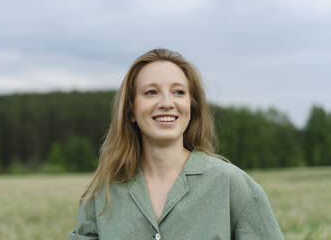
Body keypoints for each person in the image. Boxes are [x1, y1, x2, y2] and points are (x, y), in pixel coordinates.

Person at [69, 48, 284, 240]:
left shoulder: (232, 185)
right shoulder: (102, 194)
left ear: (191, 106)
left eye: (178, 92)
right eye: (151, 92)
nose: (166, 103)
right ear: (131, 111)